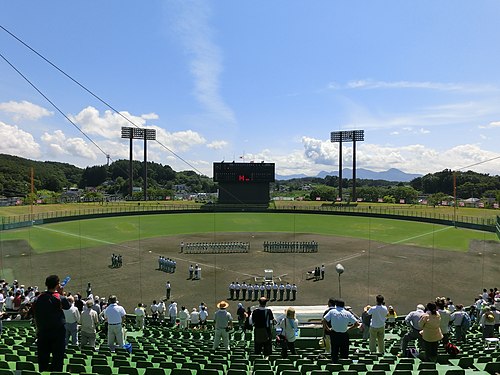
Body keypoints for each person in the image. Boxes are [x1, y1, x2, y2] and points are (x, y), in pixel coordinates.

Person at [32, 275, 71, 372]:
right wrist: (62, 294)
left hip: (43, 332)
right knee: (58, 359)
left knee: (43, 359)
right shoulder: (59, 298)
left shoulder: (38, 298)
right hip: (57, 333)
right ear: (57, 285)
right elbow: (67, 306)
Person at [323, 298, 359, 363]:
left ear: (336, 305)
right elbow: (357, 323)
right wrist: (349, 328)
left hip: (334, 334)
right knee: (344, 353)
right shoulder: (348, 313)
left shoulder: (332, 312)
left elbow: (324, 320)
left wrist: (327, 328)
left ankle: (334, 364)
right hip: (344, 334)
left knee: (334, 352)